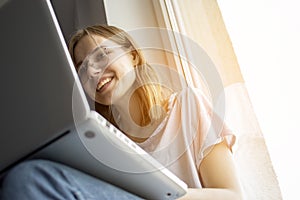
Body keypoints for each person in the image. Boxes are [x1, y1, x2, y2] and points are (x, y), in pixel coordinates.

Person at [0, 24, 243, 200]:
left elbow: (232, 195)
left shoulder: (188, 104)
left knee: (29, 178)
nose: (93, 71)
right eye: (82, 68)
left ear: (134, 56)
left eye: (102, 55)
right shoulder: (102, 145)